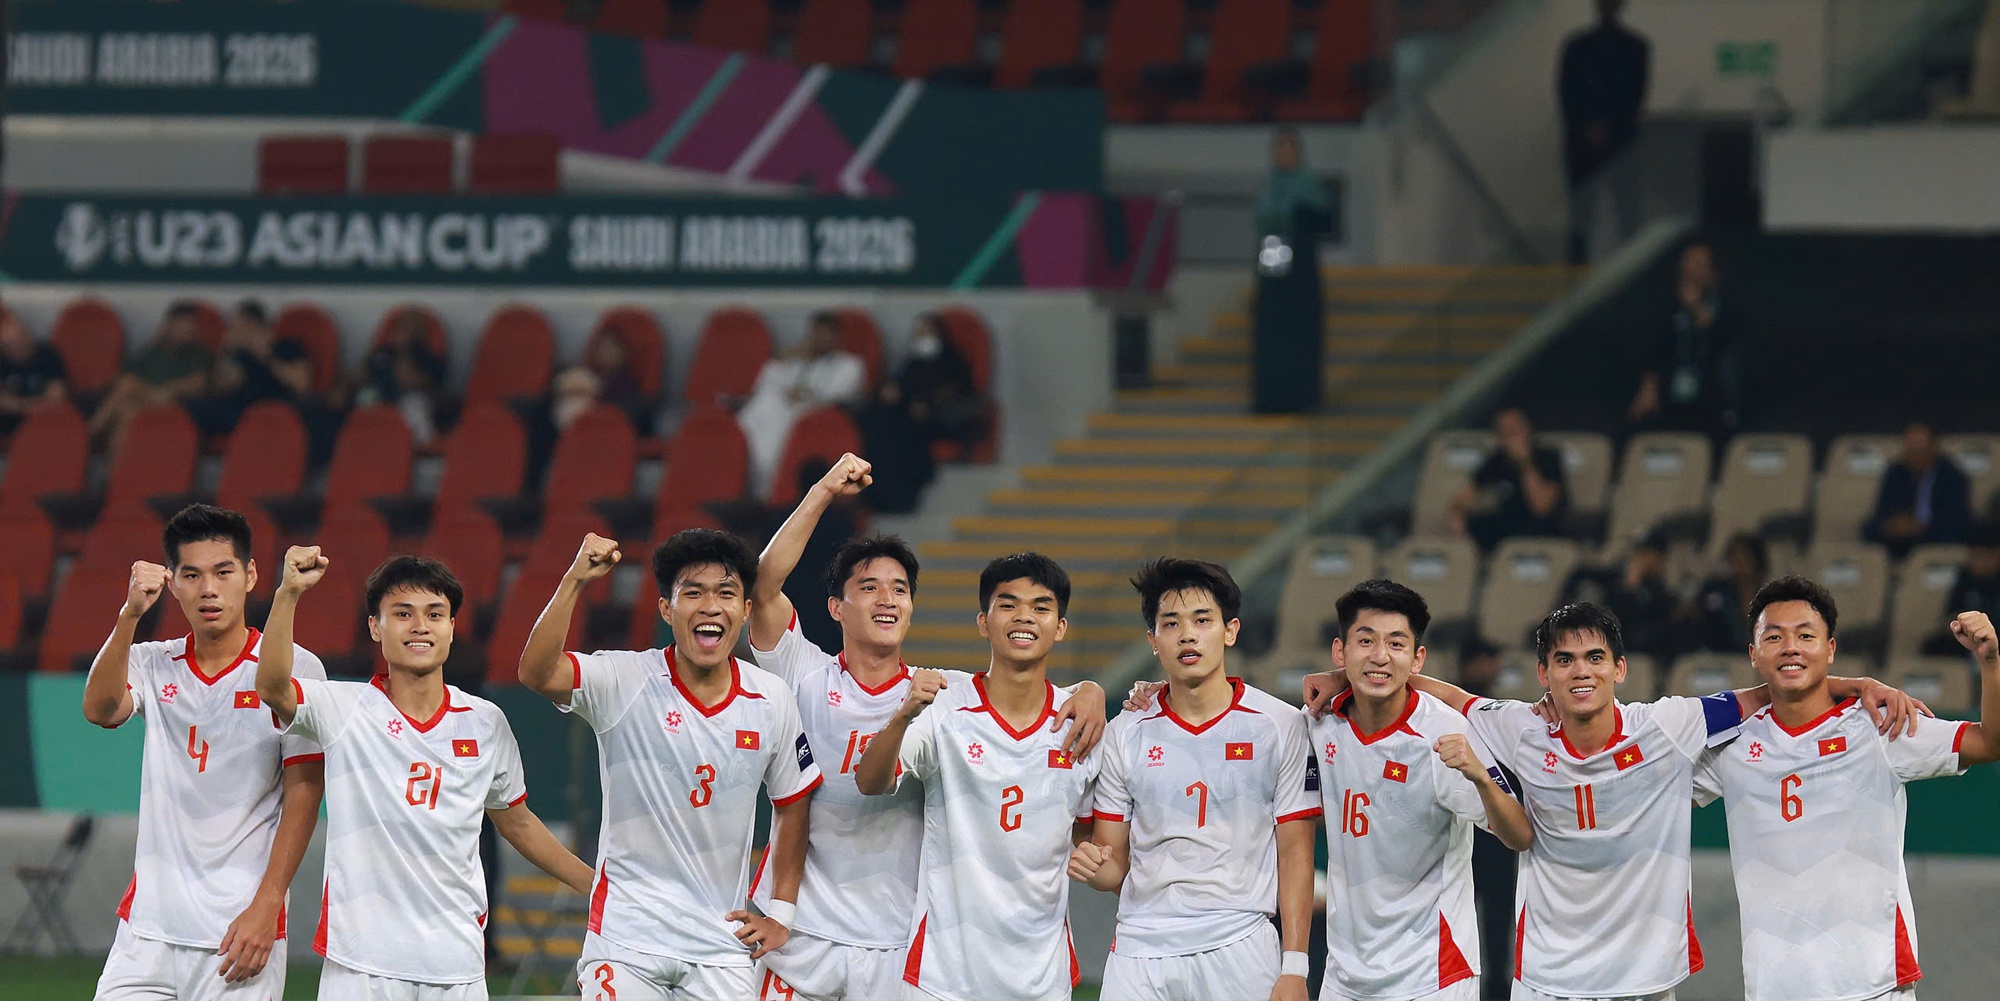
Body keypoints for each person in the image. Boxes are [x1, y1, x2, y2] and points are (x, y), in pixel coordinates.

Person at [1300, 602, 1922, 1001]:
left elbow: (1771, 692)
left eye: (1595, 658)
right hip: (1544, 981)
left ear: (1620, 668)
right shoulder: (1517, 727)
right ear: (1543, 674)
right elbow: (1456, 698)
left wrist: (1854, 685)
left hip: (1643, 984)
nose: (1581, 672)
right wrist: (1354, 680)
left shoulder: (1667, 726)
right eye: (1564, 660)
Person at [745, 455, 1106, 1001]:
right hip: (802, 932)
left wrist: (1091, 690)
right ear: (836, 608)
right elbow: (763, 588)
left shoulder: (945, 696)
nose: (887, 598)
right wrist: (822, 491)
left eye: (899, 589)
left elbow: (1018, 680)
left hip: (902, 940)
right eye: (868, 587)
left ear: (912, 608)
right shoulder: (803, 674)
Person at [256, 551, 593, 1000]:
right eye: (402, 614)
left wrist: (595, 887)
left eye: (435, 614)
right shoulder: (343, 708)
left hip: (457, 967)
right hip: (362, 967)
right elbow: (273, 687)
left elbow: (517, 821)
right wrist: (289, 593)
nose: (420, 626)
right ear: (376, 627)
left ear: (452, 627)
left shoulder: (485, 720)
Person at [516, 529, 823, 1001]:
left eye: (726, 593)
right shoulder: (624, 680)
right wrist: (576, 579)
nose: (710, 606)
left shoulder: (771, 698)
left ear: (744, 610)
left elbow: (793, 802)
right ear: (666, 609)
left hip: (720, 945)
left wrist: (782, 913)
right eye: (692, 593)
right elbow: (537, 672)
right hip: (625, 940)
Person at [1691, 577, 1999, 1001]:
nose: (1791, 647)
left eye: (1805, 635)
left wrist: (1990, 661)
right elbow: (1649, 776)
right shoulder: (1731, 747)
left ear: (1830, 649)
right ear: (1754, 654)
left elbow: (1989, 743)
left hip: (1873, 984)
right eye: (1774, 637)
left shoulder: (1880, 725)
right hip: (1775, 988)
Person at [80, 504, 325, 1001]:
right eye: (192, 575)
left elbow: (305, 793)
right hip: (146, 933)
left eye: (223, 572)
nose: (208, 589)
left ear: (251, 575)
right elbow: (100, 710)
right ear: (173, 583)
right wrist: (130, 614)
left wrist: (268, 905)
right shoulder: (154, 662)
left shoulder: (293, 667)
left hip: (238, 935)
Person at [1067, 558, 1318, 1001]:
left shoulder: (1279, 725)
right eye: (1171, 623)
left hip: (1240, 943)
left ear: (1230, 630)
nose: (1187, 634)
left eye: (1202, 620)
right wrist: (1089, 861)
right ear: (1153, 641)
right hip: (1141, 949)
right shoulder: (1125, 732)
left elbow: (1295, 853)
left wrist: (1295, 965)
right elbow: (1113, 866)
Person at [855, 553, 1100, 1001]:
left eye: (1041, 607)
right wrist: (903, 715)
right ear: (984, 622)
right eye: (1008, 604)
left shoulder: (1080, 723)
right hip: (943, 978)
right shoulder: (946, 704)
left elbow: (1088, 833)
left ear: (1060, 627)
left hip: (1042, 978)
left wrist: (1093, 689)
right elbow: (870, 781)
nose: (1024, 616)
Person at [1311, 580, 1533, 1001]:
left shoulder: (1444, 732)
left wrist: (1483, 778)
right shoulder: (1318, 723)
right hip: (1344, 977)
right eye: (1365, 641)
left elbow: (1519, 835)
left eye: (1396, 643)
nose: (1379, 656)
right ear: (1340, 653)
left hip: (1432, 975)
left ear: (1418, 659)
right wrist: (1159, 694)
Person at [857, 315, 988, 513]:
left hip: (937, 421)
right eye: (918, 333)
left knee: (907, 435)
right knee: (876, 421)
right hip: (907, 416)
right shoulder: (912, 362)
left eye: (927, 332)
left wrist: (927, 403)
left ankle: (903, 497)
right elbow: (902, 386)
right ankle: (875, 495)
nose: (922, 337)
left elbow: (962, 393)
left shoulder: (953, 361)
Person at [737, 311, 867, 497]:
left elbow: (840, 395)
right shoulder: (800, 361)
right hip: (788, 408)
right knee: (764, 402)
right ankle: (742, 454)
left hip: (818, 413)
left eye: (824, 334)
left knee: (772, 427)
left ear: (836, 337)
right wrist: (783, 358)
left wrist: (806, 395)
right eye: (815, 334)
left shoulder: (850, 364)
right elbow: (767, 383)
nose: (818, 339)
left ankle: (765, 482)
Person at [1558, 0, 1649, 264]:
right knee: (1620, 217)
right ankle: (1628, 277)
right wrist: (1607, 126)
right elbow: (1633, 96)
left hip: (1589, 142)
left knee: (1584, 220)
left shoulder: (1577, 47)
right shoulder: (1636, 47)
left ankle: (1576, 282)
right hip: (1619, 141)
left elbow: (1567, 94)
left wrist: (1589, 125)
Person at [1252, 126, 1334, 415]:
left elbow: (1322, 220)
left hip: (1303, 267)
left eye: (1287, 149)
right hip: (1276, 250)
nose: (1282, 155)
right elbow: (1269, 229)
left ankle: (1303, 397)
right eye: (1278, 149)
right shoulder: (1270, 190)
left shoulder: (1310, 187)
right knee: (1274, 318)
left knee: (1299, 327)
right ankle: (1273, 397)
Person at [1628, 241, 1739, 439]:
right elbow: (1656, 349)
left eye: (1698, 264)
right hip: (1671, 396)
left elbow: (1720, 338)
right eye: (1687, 263)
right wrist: (1648, 387)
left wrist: (1695, 308)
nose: (1690, 269)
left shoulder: (1725, 308)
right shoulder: (1669, 308)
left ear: (1712, 271)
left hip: (1710, 399)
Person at [88, 301, 214, 445]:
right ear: (170, 324)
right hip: (147, 398)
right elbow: (123, 376)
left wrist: (171, 389)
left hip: (174, 402)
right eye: (183, 324)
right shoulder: (153, 350)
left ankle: (91, 431)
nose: (189, 329)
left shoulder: (198, 353)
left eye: (192, 324)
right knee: (126, 409)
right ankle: (117, 465)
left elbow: (199, 383)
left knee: (128, 386)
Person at [183, 300, 313, 436]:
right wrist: (225, 350)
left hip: (276, 406)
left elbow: (301, 384)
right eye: (234, 327)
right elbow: (221, 387)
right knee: (190, 408)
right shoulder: (239, 353)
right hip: (239, 409)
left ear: (260, 327)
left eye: (244, 327)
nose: (240, 332)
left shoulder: (288, 346)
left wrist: (266, 357)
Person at [1449, 409, 1567, 552]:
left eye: (1515, 429)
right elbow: (1465, 495)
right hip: (1509, 520)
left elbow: (1541, 507)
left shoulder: (1548, 457)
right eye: (1505, 431)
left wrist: (1524, 463)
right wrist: (1458, 514)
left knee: (1533, 527)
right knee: (1476, 525)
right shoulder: (1496, 460)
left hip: (1543, 524)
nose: (1512, 436)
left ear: (1527, 429)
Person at [1563, 530, 1677, 666]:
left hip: (1639, 655)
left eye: (1649, 554)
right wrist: (1629, 589)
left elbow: (1646, 629)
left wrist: (1631, 589)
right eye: (1640, 553)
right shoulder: (1610, 581)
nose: (1642, 559)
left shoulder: (1662, 596)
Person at [1864, 422, 1972, 558]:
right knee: (1869, 531)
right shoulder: (1895, 473)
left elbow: (1954, 520)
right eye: (1910, 451)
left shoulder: (1952, 476)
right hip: (1898, 541)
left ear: (1934, 449)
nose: (1914, 458)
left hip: (1935, 537)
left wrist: (1920, 527)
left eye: (1920, 452)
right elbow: (1881, 512)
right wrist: (1892, 525)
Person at [358, 309, 449, 446]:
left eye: (411, 328)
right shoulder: (383, 352)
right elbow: (363, 373)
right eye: (402, 327)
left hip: (411, 396)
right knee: (361, 400)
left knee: (415, 408)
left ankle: (423, 453)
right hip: (379, 393)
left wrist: (404, 353)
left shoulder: (427, 356)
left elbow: (417, 382)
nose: (404, 332)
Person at [552, 327, 650, 433]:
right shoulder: (582, 376)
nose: (605, 353)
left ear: (623, 353)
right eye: (601, 348)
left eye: (610, 349)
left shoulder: (627, 384)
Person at [1687, 532, 1768, 653]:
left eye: (1744, 556)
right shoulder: (1716, 589)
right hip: (1717, 655)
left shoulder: (1771, 595)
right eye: (1734, 556)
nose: (1739, 562)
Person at [1929, 521, 2000, 653]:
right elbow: (1952, 615)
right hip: (1968, 642)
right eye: (1975, 556)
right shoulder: (1965, 578)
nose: (1979, 563)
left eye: (1984, 556)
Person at [0, 309, 67, 435]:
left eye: (18, 343)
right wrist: (31, 405)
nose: (14, 350)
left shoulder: (48, 355)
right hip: (7, 422)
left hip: (44, 421)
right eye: (8, 347)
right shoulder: (2, 359)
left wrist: (17, 405)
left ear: (27, 336)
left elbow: (56, 397)